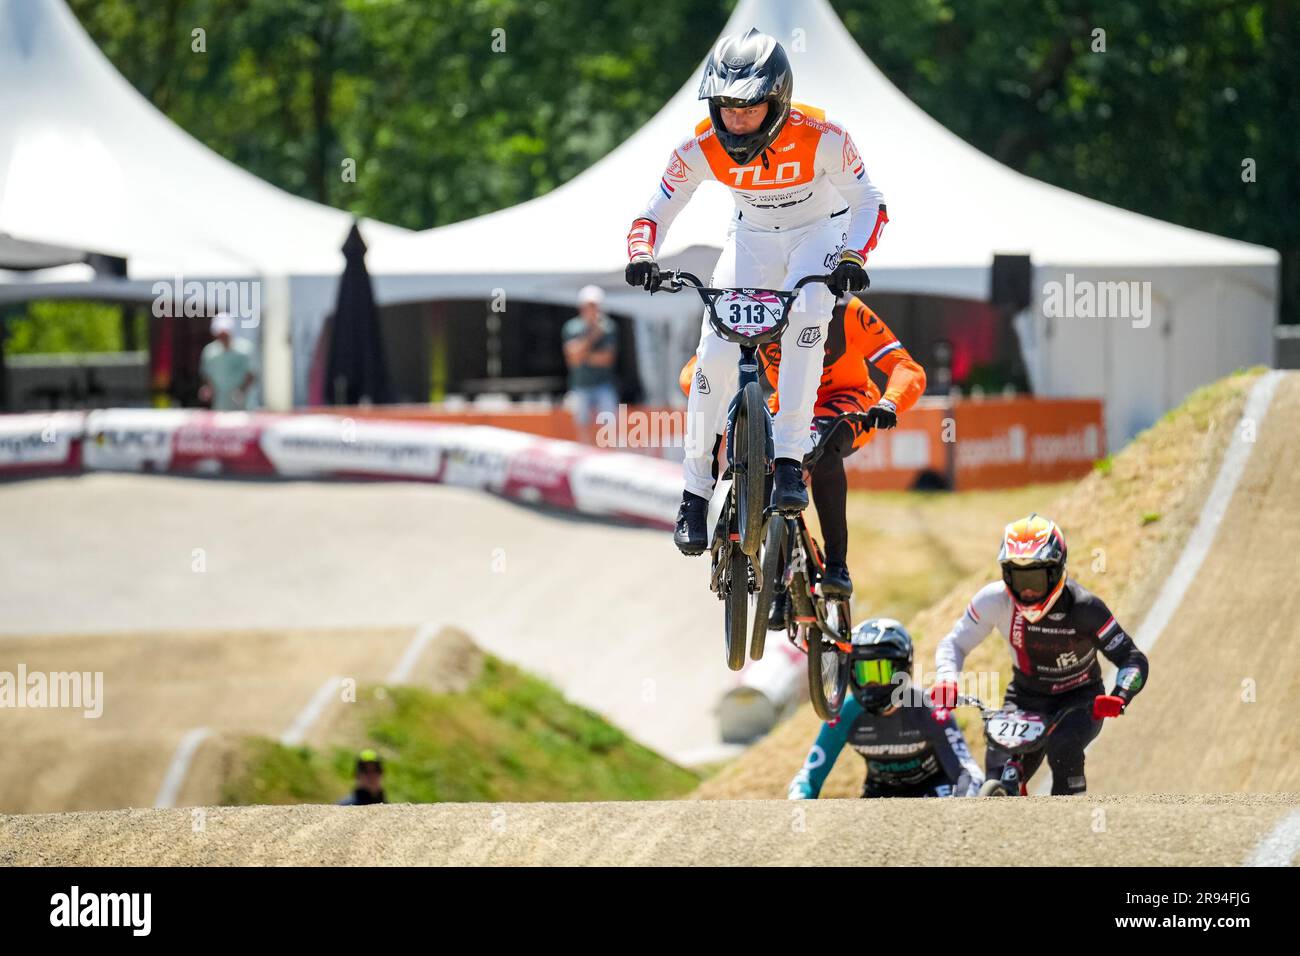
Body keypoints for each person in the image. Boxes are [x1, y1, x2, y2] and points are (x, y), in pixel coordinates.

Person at [624, 28, 889, 556]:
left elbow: (871, 202)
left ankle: (789, 460)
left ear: (779, 101)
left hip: (820, 233)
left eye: (749, 108)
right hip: (750, 239)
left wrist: (855, 258)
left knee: (808, 315)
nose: (736, 120)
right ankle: (695, 492)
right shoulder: (699, 144)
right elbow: (653, 212)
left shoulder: (825, 135)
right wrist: (642, 257)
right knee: (714, 359)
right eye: (725, 108)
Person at [679, 295, 925, 597]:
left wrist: (891, 402)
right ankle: (774, 572)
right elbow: (701, 367)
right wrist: (707, 393)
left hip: (846, 398)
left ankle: (837, 565)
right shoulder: (763, 304)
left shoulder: (846, 310)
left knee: (825, 448)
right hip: (789, 406)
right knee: (764, 447)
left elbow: (906, 366)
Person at [930, 514, 1150, 795]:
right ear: (1006, 574)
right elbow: (953, 644)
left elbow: (1132, 658)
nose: (1028, 590)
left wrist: (1120, 695)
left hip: (1080, 700)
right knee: (998, 761)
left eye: (1035, 577)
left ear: (1057, 571)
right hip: (1025, 698)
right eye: (1019, 578)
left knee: (1063, 747)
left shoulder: (1086, 608)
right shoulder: (993, 600)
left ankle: (1069, 824)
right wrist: (947, 679)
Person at [788, 618, 984, 799]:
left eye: (880, 672)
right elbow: (808, 777)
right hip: (879, 794)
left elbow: (969, 774)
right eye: (863, 673)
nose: (871, 684)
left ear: (902, 671)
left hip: (935, 791)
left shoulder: (930, 710)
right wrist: (799, 804)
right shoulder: (844, 714)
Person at [561, 285, 620, 445]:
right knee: (582, 425)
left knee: (610, 425)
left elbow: (606, 359)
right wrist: (594, 336)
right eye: (589, 306)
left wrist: (582, 353)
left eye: (595, 306)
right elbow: (573, 358)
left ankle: (609, 458)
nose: (592, 310)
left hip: (603, 386)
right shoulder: (572, 327)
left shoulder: (608, 327)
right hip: (580, 387)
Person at [198, 313, 256, 410]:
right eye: (220, 333)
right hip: (220, 405)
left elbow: (251, 374)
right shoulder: (209, 352)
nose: (222, 336)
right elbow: (206, 375)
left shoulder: (245, 349)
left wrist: (241, 390)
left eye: (225, 333)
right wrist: (208, 389)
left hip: (243, 405)